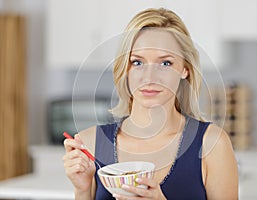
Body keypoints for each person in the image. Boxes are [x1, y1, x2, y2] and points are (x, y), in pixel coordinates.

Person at [63, 8, 238, 200]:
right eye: (137, 62)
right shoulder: (91, 143)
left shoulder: (211, 144)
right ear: (126, 69)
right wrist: (83, 190)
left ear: (185, 70)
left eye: (165, 63)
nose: (149, 77)